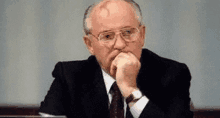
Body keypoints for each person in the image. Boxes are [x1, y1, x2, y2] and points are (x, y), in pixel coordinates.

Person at [39, 0, 194, 118]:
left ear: (142, 36)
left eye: (128, 32)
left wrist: (130, 90)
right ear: (89, 44)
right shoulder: (69, 77)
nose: (120, 44)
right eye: (107, 36)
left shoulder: (173, 74)